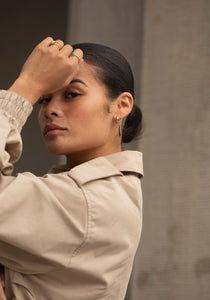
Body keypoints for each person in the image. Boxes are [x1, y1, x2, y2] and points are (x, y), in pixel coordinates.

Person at [0, 37, 143, 300]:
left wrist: (26, 87)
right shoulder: (95, 193)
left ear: (121, 106)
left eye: (72, 95)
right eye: (44, 98)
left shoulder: (87, 202)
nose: (50, 110)